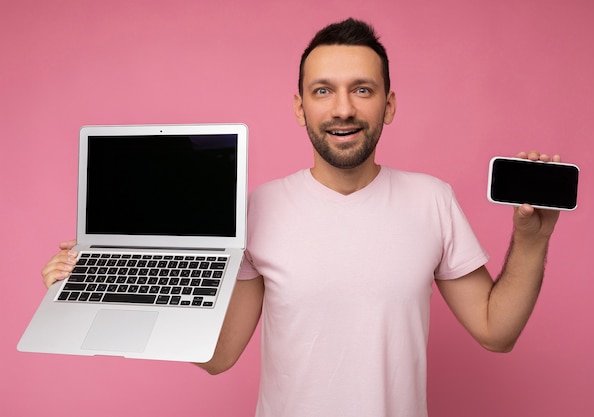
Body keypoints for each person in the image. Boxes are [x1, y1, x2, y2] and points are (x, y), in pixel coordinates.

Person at [42, 18, 562, 417]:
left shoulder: (432, 200)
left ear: (388, 104)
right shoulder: (258, 209)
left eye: (362, 89)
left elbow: (497, 331)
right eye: (322, 91)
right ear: (299, 107)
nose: (342, 109)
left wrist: (532, 239)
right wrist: (110, 285)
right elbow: (218, 355)